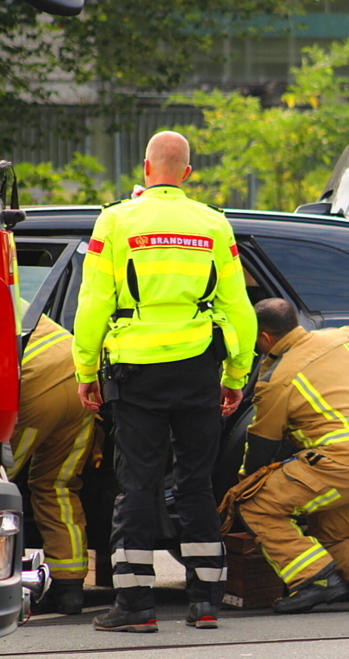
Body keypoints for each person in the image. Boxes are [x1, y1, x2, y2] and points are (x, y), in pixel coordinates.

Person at [73, 131, 257, 632]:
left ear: (146, 168)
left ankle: (136, 606)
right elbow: (238, 308)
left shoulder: (116, 220)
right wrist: (236, 374)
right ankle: (206, 601)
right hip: (198, 367)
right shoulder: (214, 224)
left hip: (135, 371)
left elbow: (93, 303)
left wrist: (84, 370)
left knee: (137, 483)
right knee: (196, 483)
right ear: (187, 174)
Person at [235, 298, 349, 614]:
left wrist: (244, 484)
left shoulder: (277, 380)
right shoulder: (339, 338)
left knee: (256, 504)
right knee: (329, 539)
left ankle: (312, 580)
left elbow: (262, 443)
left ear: (265, 338)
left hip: (340, 462)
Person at [13, 304, 95, 614]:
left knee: (1, 486)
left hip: (35, 385)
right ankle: (69, 589)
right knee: (56, 485)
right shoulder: (11, 291)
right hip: (79, 379)